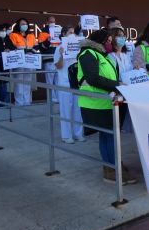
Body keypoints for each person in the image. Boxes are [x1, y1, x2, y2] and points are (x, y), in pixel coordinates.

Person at [77, 29, 136, 184]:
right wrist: (117, 85)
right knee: (108, 135)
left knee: (110, 135)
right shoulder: (87, 53)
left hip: (107, 102)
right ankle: (111, 168)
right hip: (94, 103)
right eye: (108, 41)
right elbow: (93, 78)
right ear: (100, 41)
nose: (111, 43)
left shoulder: (103, 56)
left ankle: (113, 165)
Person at [54, 26, 85, 144]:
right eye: (70, 33)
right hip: (64, 84)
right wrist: (62, 55)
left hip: (76, 84)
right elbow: (58, 66)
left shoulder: (77, 48)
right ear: (64, 34)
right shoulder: (59, 48)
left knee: (78, 111)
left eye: (74, 33)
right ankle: (66, 135)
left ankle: (78, 134)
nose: (72, 35)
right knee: (66, 111)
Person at [9, 18, 39, 106]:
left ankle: (27, 102)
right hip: (18, 61)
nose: (24, 25)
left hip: (29, 61)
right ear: (18, 25)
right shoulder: (13, 35)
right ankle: (19, 103)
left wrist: (31, 50)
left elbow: (36, 47)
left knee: (27, 82)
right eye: (22, 24)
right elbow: (12, 47)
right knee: (18, 82)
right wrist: (23, 49)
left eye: (25, 24)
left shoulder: (31, 35)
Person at [109, 27, 133, 132]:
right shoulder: (109, 56)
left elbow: (130, 71)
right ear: (113, 38)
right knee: (115, 123)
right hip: (116, 91)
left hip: (126, 91)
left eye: (123, 36)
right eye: (119, 36)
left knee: (122, 120)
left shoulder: (125, 55)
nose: (122, 38)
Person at [38, 16, 60, 100]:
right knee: (50, 83)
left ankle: (58, 100)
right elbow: (42, 48)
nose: (53, 23)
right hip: (49, 60)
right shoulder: (43, 33)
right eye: (51, 21)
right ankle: (52, 101)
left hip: (58, 60)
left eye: (54, 21)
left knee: (58, 82)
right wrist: (48, 40)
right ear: (47, 22)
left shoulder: (59, 31)